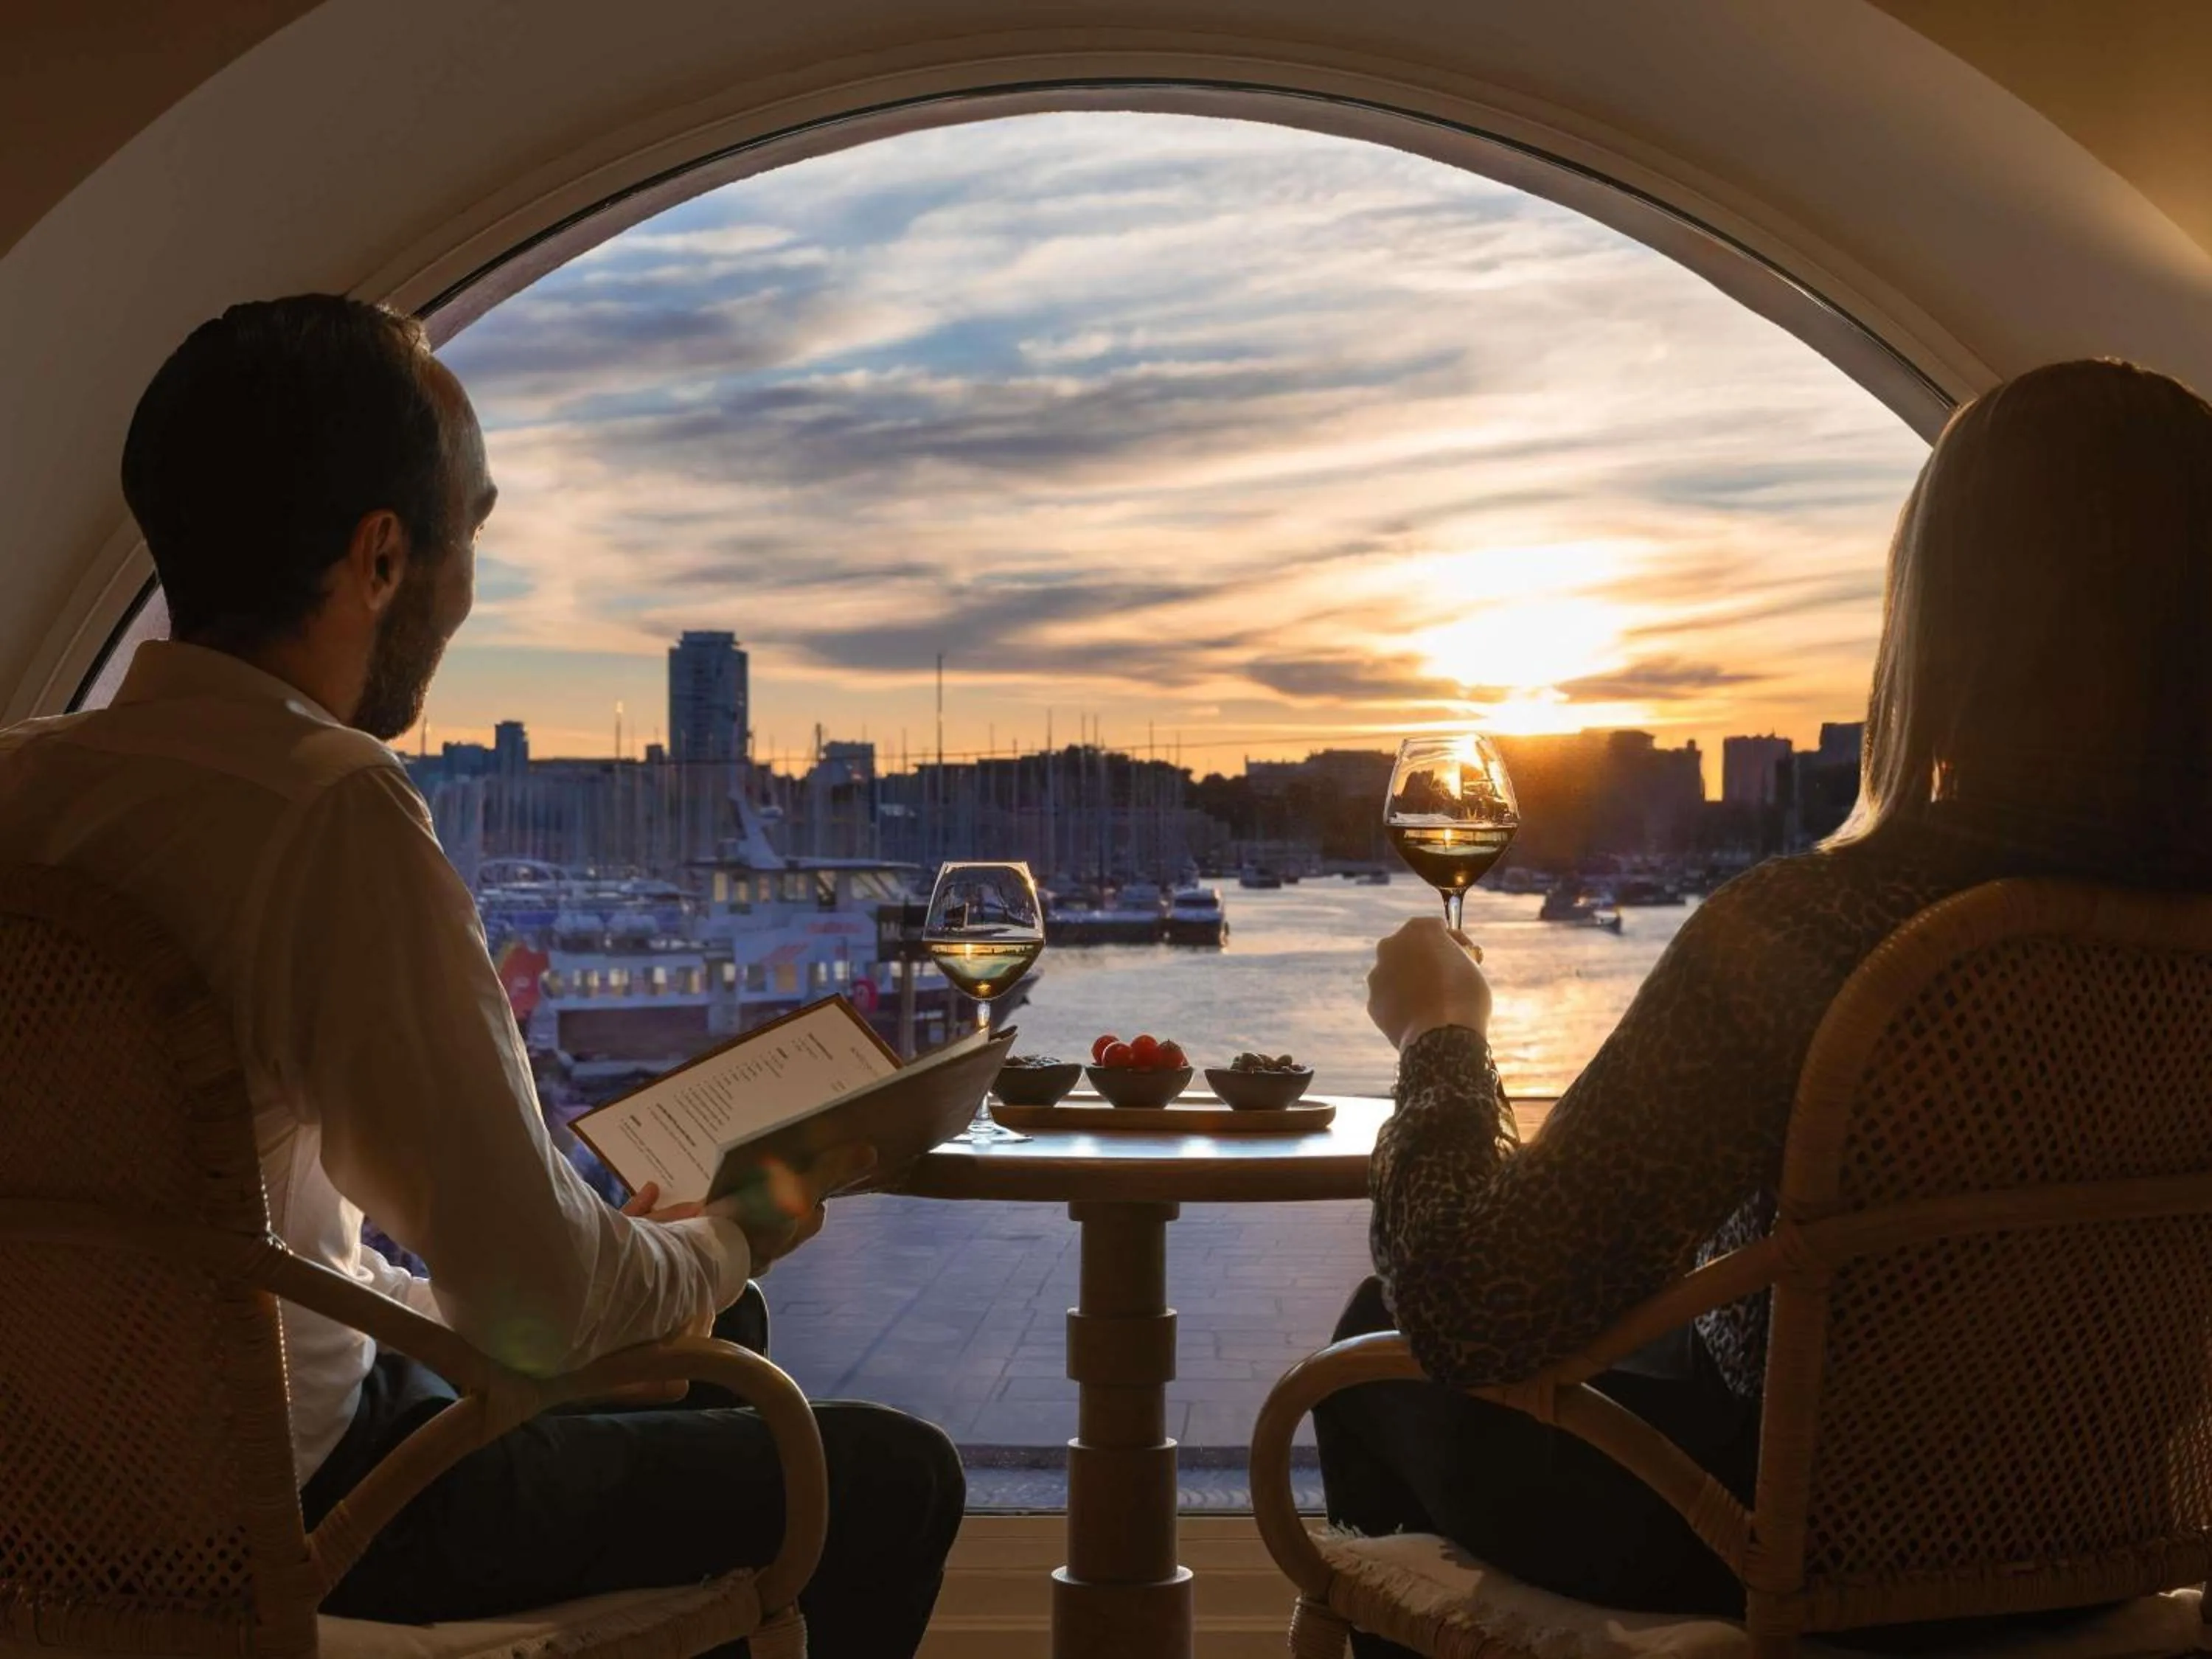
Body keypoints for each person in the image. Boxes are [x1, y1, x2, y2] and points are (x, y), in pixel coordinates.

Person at [0, 295, 961, 1655]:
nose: (471, 586)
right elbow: (545, 1302)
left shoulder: (24, 782)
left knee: (709, 1326)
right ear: (383, 556)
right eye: (475, 534)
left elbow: (215, 1250)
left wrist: (650, 1265)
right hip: (320, 1508)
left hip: (55, 1499)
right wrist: (738, 1218)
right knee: (882, 1473)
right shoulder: (326, 810)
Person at [1329, 358, 2212, 1654]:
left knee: (1383, 1336)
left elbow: (1476, 1299)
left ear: (1946, 621)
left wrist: (1439, 1035)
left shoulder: (1814, 930)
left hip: (1771, 1538)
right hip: (2095, 1537)